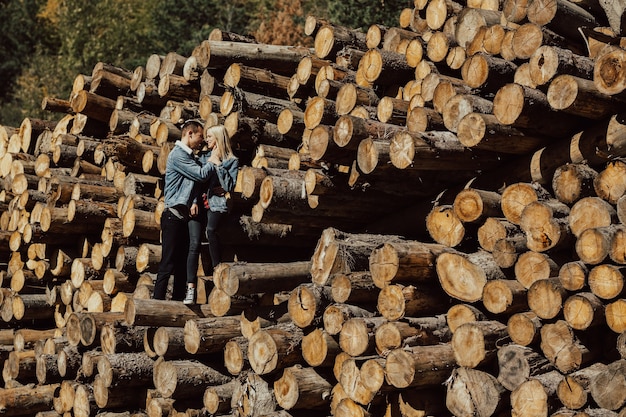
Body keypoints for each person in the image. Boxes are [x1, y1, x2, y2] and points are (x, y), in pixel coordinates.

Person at [153, 120, 217, 302]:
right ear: (189, 134)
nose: (202, 141)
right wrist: (214, 158)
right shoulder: (178, 155)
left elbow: (194, 185)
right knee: (167, 264)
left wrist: (197, 199)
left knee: (181, 266)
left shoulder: (190, 156)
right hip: (173, 216)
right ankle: (156, 306)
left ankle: (177, 306)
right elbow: (200, 175)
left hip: (183, 217)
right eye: (200, 136)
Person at [183, 125, 239, 305]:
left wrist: (219, 166)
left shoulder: (231, 160)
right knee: (195, 241)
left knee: (211, 231)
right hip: (200, 203)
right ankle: (192, 286)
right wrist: (192, 201)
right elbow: (197, 180)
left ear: (218, 138)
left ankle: (217, 269)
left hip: (216, 204)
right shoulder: (203, 157)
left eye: (209, 137)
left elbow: (229, 186)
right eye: (205, 136)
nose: (206, 140)